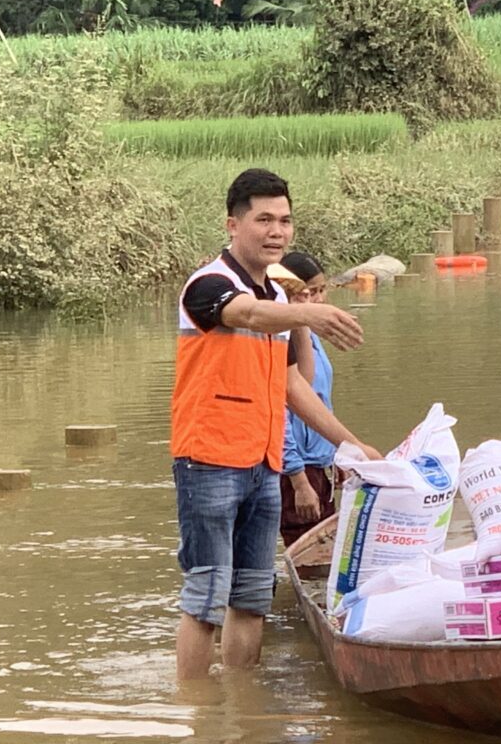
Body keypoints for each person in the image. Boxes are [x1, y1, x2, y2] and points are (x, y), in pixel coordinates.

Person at [171, 168, 382, 681]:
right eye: (263, 220)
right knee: (205, 597)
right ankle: (196, 710)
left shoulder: (281, 300)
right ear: (233, 224)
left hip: (263, 462)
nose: (277, 232)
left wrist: (353, 447)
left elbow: (294, 387)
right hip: (209, 459)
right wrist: (308, 316)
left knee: (251, 598)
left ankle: (241, 704)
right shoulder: (209, 285)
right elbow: (245, 313)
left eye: (284, 221)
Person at [274, 251, 343, 548]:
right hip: (296, 468)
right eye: (310, 293)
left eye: (321, 290)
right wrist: (298, 479)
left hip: (318, 464)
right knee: (308, 556)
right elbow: (281, 412)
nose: (319, 299)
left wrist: (338, 454)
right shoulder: (279, 339)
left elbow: (318, 400)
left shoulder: (308, 337)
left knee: (327, 553)